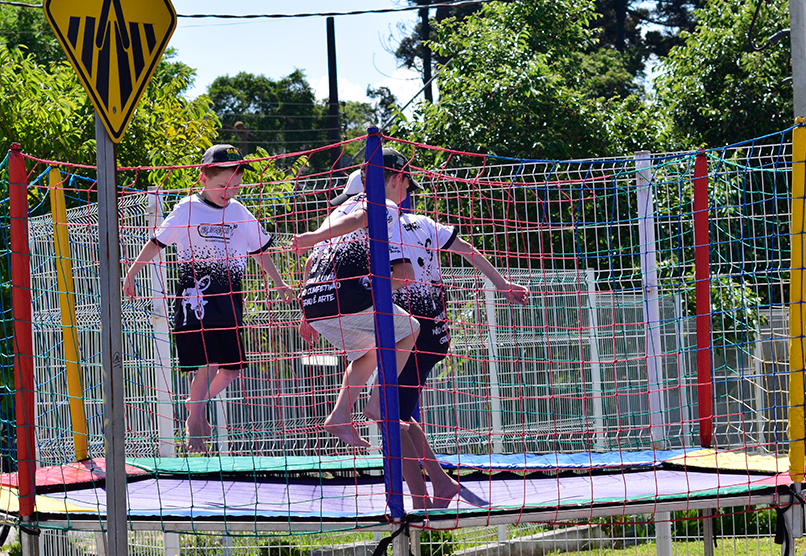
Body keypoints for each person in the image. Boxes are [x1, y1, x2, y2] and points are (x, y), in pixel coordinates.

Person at [324, 166, 531, 509]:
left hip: (410, 334)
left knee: (391, 415)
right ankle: (437, 484)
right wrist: (501, 284)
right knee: (397, 414)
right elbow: (467, 248)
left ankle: (427, 493)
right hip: (433, 332)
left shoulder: (381, 228)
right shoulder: (422, 223)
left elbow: (399, 273)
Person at [123, 144, 294, 453]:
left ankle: (194, 405)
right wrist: (132, 273)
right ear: (203, 178)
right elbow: (157, 243)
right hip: (196, 297)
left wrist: (279, 282)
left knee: (232, 368)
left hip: (229, 300)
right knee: (208, 362)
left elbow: (260, 251)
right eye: (222, 185)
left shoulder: (239, 212)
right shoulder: (188, 208)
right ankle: (195, 425)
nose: (229, 192)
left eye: (236, 186)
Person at [294, 148, 421, 451]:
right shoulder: (384, 204)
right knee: (411, 328)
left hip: (315, 301)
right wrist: (312, 236)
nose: (407, 193)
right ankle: (378, 403)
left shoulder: (338, 210)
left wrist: (305, 313)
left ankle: (339, 416)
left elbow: (312, 261)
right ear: (397, 179)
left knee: (368, 352)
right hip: (345, 296)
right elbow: (362, 219)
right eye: (407, 185)